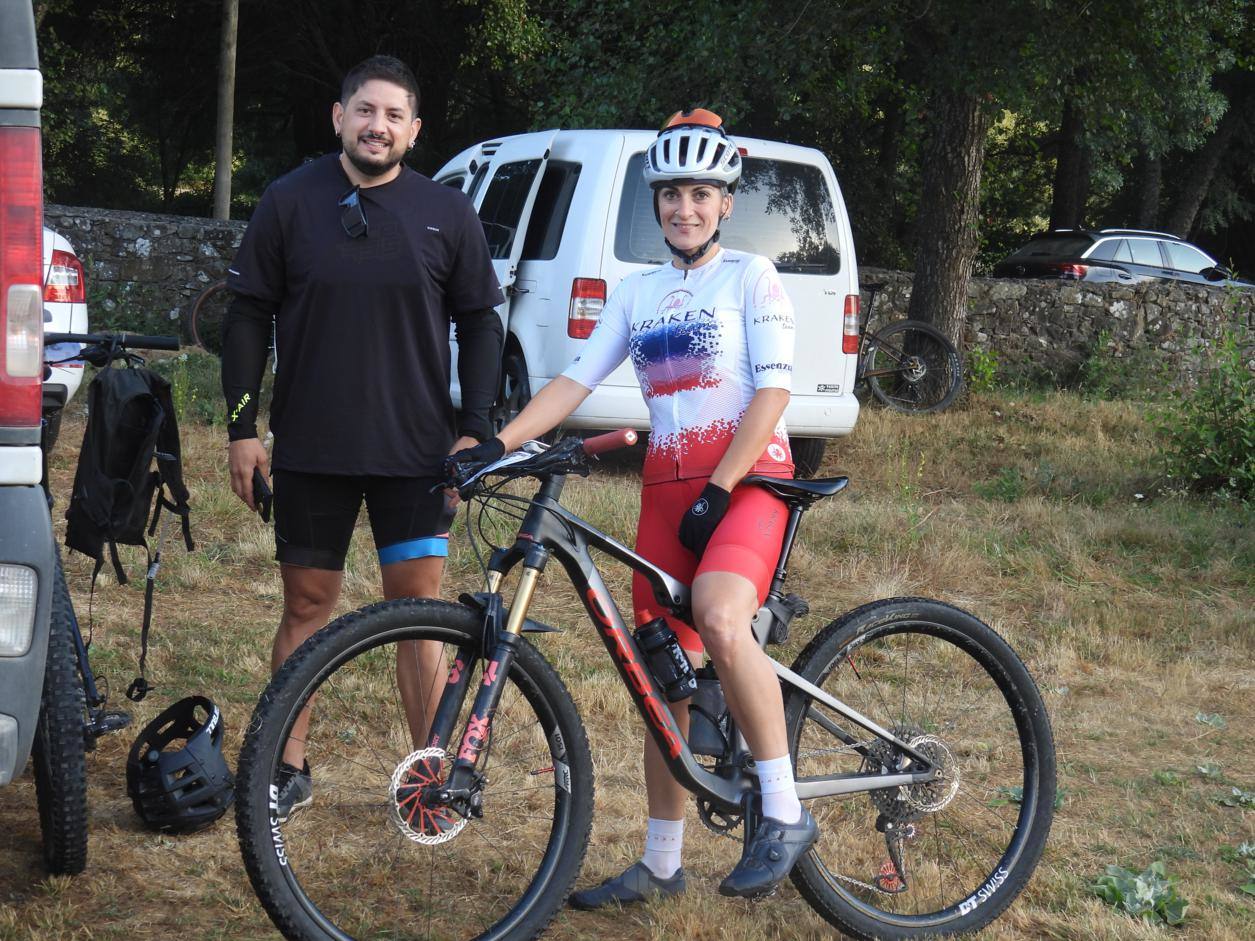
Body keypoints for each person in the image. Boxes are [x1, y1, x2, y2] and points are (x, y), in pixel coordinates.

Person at [451, 109, 816, 902]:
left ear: (725, 203)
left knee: (720, 616)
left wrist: (722, 486)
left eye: (700, 195)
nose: (683, 209)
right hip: (665, 494)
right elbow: (573, 382)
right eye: (670, 196)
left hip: (749, 482)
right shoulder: (639, 292)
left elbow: (775, 390)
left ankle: (783, 814)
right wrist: (496, 443)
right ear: (655, 205)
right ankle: (659, 863)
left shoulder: (751, 276)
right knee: (663, 683)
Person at [221, 54, 504, 821]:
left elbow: (481, 321)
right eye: (364, 110)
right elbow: (247, 313)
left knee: (419, 610)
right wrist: (242, 429)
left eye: (394, 115)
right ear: (339, 117)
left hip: (417, 453)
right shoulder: (289, 202)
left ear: (413, 130)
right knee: (307, 606)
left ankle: (429, 777)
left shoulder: (446, 212)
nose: (377, 125)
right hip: (313, 447)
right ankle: (285, 766)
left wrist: (474, 427)